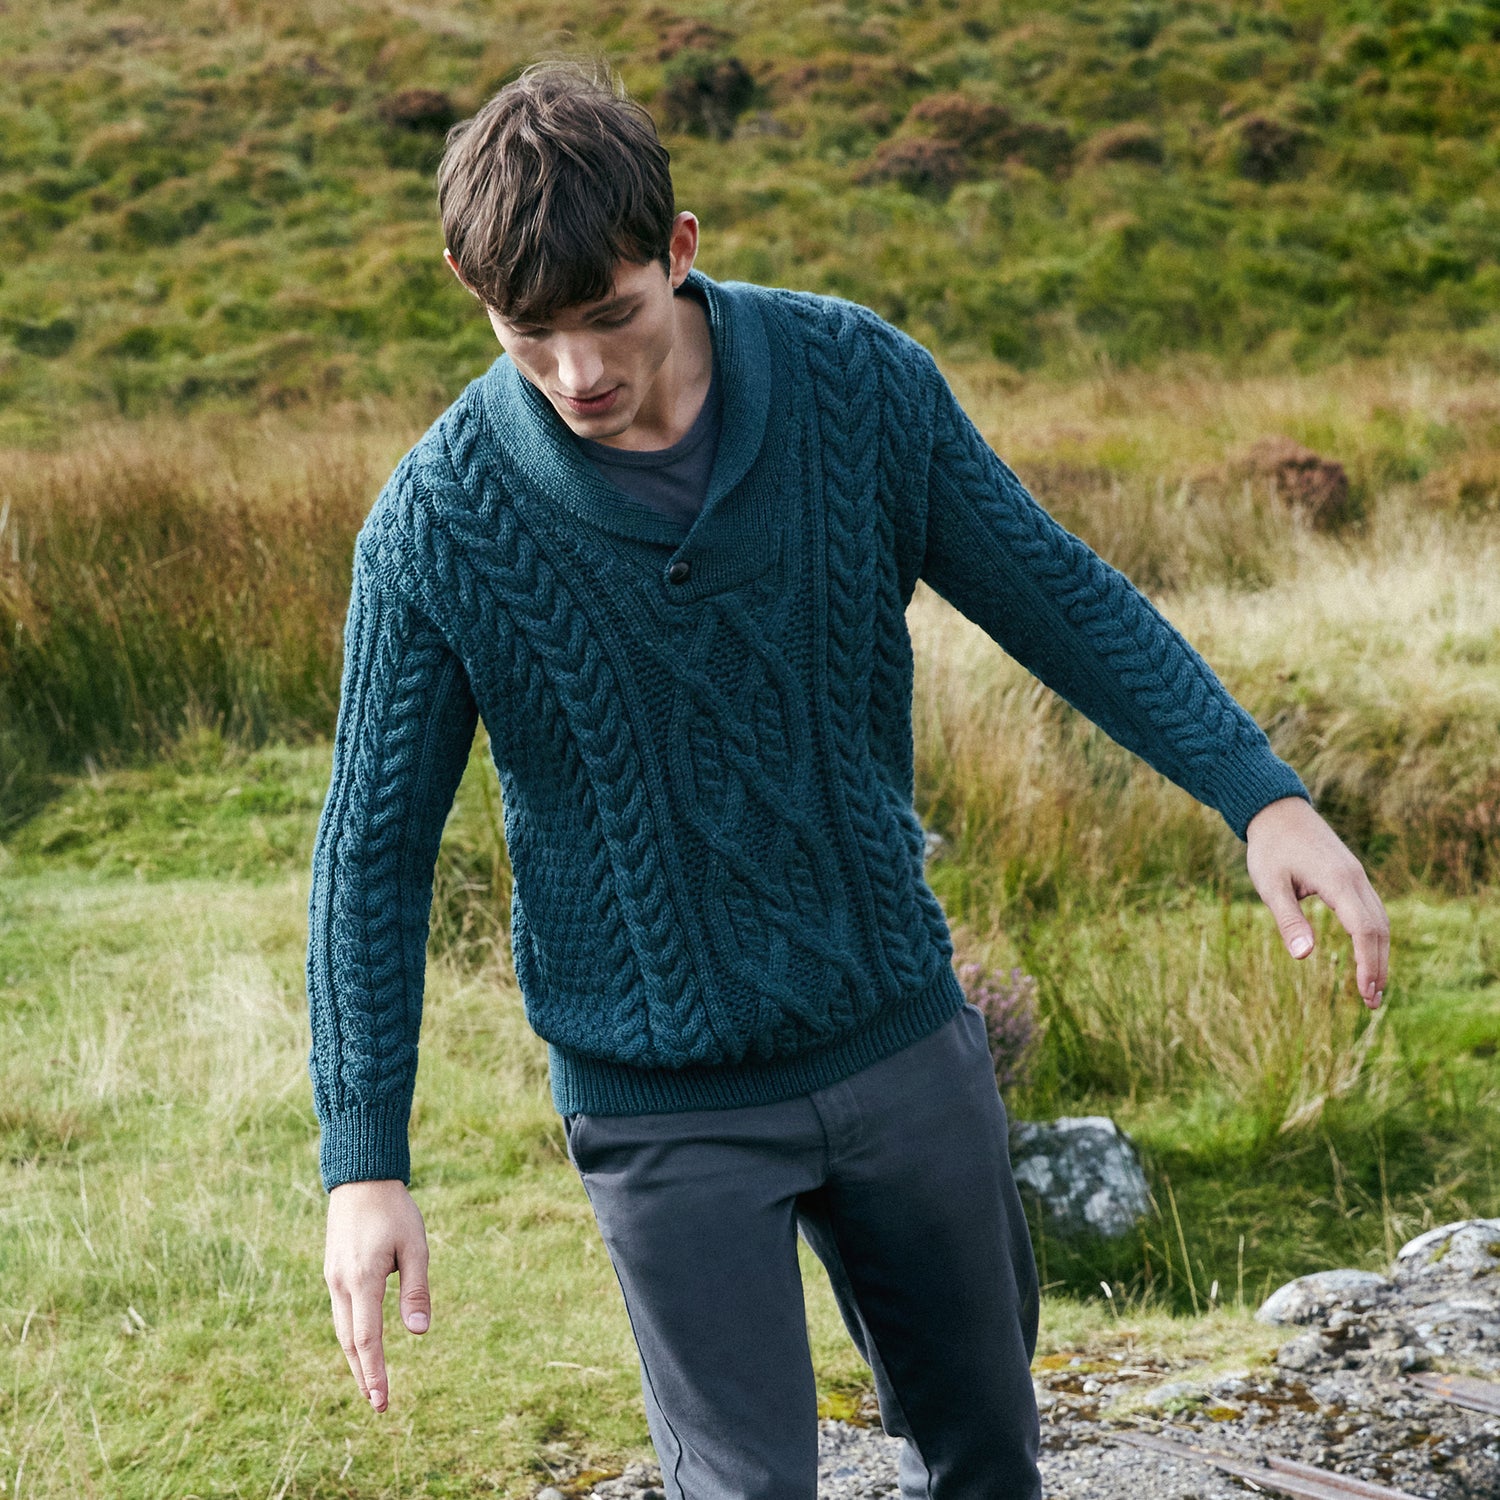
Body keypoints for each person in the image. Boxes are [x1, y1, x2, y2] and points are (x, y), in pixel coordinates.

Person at [307, 58, 1390, 1500]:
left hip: (897, 1036)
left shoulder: (856, 383)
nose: (578, 374)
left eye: (611, 316)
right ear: (467, 287)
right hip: (659, 1104)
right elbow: (370, 854)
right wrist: (364, 1162)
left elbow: (1056, 593)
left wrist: (1258, 791)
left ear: (678, 248)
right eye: (530, 335)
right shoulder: (436, 525)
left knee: (989, 1454)